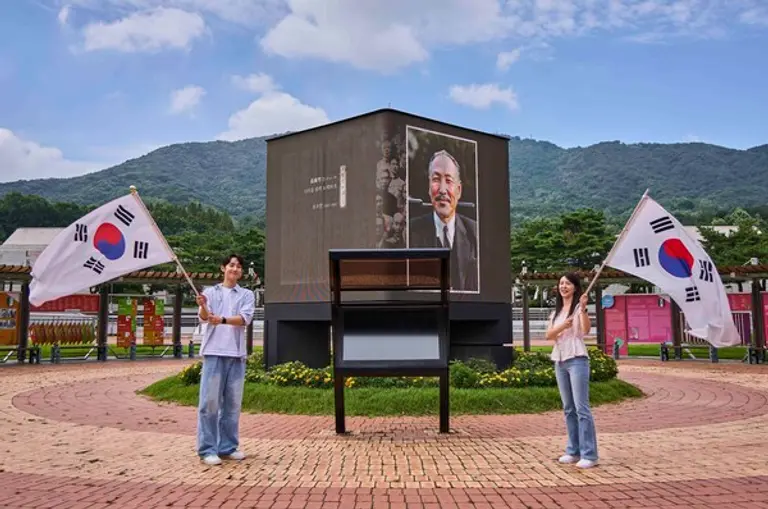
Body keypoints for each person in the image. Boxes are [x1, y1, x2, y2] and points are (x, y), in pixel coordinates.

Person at [195, 253, 256, 466]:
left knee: (232, 405)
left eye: (238, 266)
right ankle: (207, 449)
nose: (235, 269)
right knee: (209, 403)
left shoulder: (246, 294)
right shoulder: (210, 292)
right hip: (214, 352)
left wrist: (221, 319)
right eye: (231, 265)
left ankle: (227, 447)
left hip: (236, 355)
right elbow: (203, 317)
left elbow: (244, 319)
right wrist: (203, 305)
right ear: (223, 268)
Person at [545, 272, 599, 469]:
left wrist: (583, 309)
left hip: (577, 360)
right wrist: (562, 326)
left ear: (575, 287)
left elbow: (585, 331)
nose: (563, 286)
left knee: (581, 408)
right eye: (561, 283)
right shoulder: (557, 312)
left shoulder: (578, 310)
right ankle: (573, 451)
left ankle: (590, 454)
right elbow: (549, 335)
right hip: (559, 360)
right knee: (568, 408)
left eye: (567, 283)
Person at [408, 149, 478, 291]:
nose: (442, 190)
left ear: (459, 190)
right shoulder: (410, 232)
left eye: (448, 180)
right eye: (436, 180)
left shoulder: (475, 233)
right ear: (429, 187)